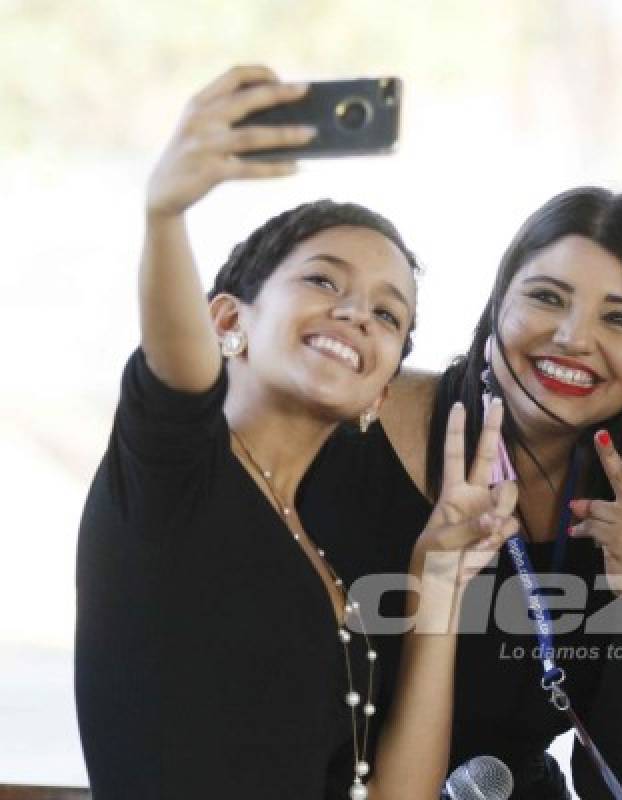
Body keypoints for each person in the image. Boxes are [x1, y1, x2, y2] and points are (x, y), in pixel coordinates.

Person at [75, 66, 518, 800]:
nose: (355, 314)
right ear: (228, 321)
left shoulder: (322, 552)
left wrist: (439, 584)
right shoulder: (176, 475)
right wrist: (165, 215)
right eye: (323, 281)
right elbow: (175, 372)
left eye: (387, 315)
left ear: (381, 390)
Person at [304, 185, 622, 798]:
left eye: (619, 318)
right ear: (498, 302)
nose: (572, 338)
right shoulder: (357, 421)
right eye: (545, 297)